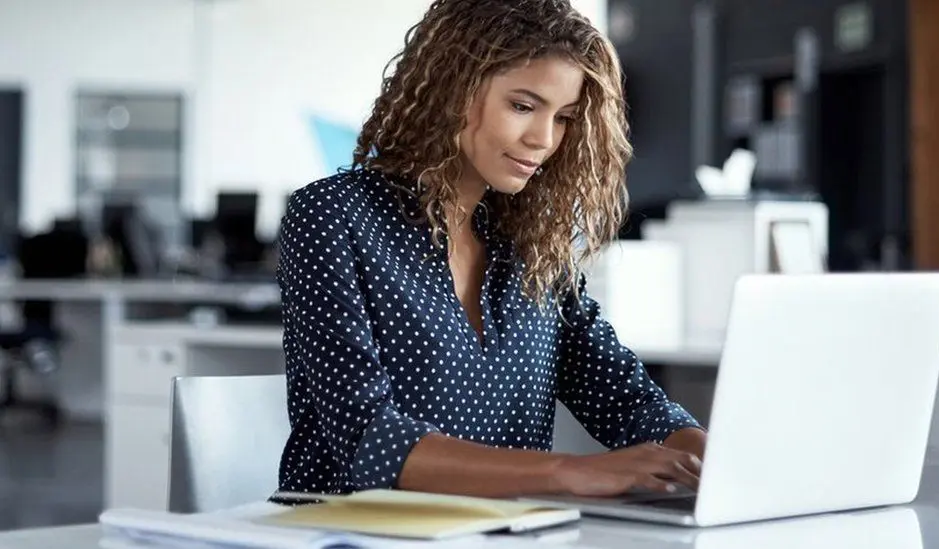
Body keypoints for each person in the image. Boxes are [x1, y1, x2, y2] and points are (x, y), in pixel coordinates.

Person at [275, 0, 707, 500]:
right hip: (347, 533)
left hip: (502, 534)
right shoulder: (332, 216)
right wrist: (569, 472)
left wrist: (709, 458)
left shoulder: (532, 246)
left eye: (564, 118)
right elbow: (368, 442)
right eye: (522, 106)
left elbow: (622, 398)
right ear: (451, 90)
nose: (543, 140)